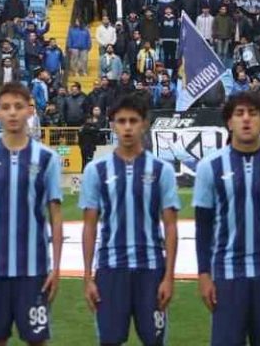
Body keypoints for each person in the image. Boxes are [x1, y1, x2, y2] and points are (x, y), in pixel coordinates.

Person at [193, 90, 260, 346]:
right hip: (227, 274)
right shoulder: (209, 167)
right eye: (239, 113)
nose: (246, 119)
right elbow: (203, 227)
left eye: (253, 113)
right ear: (229, 122)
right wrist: (204, 274)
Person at [0, 82, 64, 346]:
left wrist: (56, 267)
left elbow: (55, 215)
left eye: (18, 106)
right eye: (6, 107)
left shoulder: (47, 158)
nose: (12, 112)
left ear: (29, 111)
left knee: (36, 339)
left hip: (34, 269)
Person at [80, 92, 178, 346]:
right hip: (110, 270)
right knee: (110, 341)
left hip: (151, 270)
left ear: (144, 124)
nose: (127, 127)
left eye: (133, 121)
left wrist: (169, 277)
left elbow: (170, 226)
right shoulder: (96, 170)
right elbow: (89, 226)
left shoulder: (162, 170)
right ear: (113, 124)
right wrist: (88, 277)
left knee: (154, 341)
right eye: (121, 121)